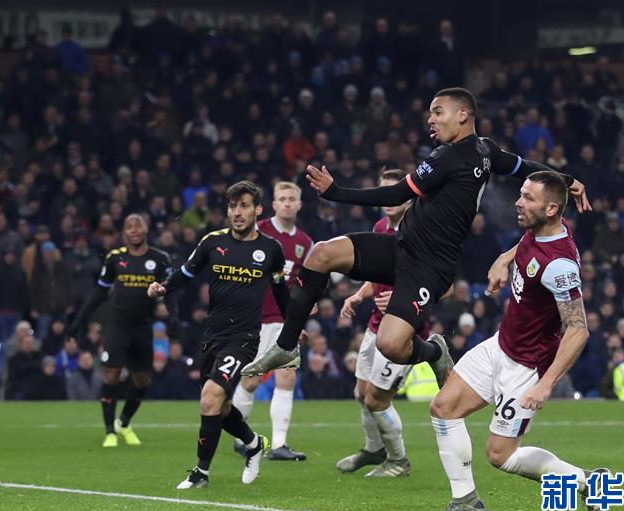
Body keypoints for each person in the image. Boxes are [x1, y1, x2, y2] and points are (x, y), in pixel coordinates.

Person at [243, 88, 591, 384]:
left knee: (391, 346)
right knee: (321, 254)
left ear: (463, 115)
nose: (430, 119)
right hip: (401, 246)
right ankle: (286, 346)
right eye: (430, 113)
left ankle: (434, 351)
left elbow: (397, 194)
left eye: (438, 112)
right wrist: (566, 179)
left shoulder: (455, 156)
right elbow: (524, 167)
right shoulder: (483, 150)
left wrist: (336, 192)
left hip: (431, 266)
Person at [427, 171, 607, 511]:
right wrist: (504, 258)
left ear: (551, 208)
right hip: (501, 344)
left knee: (501, 456)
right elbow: (530, 241)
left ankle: (588, 482)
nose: (518, 203)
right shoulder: (547, 226)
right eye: (521, 194)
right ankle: (465, 503)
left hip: (526, 366)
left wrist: (546, 384)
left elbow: (578, 330)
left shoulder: (559, 266)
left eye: (528, 198)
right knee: (443, 408)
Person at [148, 181, 290, 489]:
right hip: (212, 336)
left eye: (244, 206)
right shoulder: (212, 242)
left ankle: (200, 473)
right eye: (232, 206)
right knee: (220, 407)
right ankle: (253, 443)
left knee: (210, 398)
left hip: (244, 338)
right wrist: (163, 287)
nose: (237, 212)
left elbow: (281, 291)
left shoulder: (271, 249)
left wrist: (294, 325)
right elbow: (185, 273)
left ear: (258, 210)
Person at [68, 214, 176, 447]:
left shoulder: (160, 259)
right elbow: (100, 291)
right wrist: (79, 320)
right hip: (118, 325)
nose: (133, 230)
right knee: (111, 375)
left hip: (143, 326)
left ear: (146, 229)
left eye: (138, 225)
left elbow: (170, 291)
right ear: (124, 232)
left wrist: (174, 317)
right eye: (129, 226)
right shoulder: (115, 257)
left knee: (142, 380)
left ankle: (124, 422)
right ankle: (110, 431)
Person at [335, 169, 414, 477]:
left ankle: (398, 461)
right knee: (361, 393)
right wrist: (359, 294)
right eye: (385, 192)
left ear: (408, 197)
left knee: (377, 399)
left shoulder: (419, 229)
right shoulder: (380, 227)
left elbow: (438, 282)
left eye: (396, 191)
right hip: (376, 324)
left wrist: (401, 297)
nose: (389, 198)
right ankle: (373, 449)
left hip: (404, 327)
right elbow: (378, 273)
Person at [232, 181, 314, 461]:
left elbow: (306, 282)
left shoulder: (305, 243)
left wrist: (304, 310)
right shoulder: (259, 231)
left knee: (286, 377)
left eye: (292, 198)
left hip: (285, 319)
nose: (287, 203)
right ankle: (239, 436)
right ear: (274, 204)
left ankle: (279, 444)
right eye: (282, 198)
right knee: (251, 380)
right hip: (255, 318)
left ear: (299, 204)